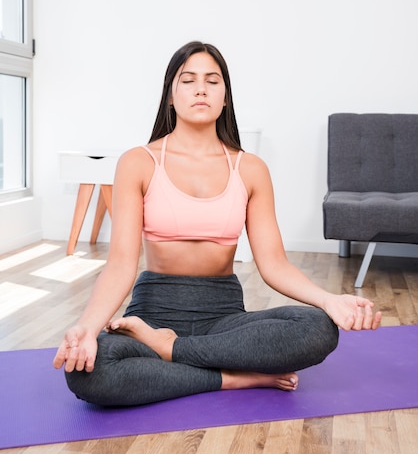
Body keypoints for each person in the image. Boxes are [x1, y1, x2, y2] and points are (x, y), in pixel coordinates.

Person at [53, 41, 382, 406]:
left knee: (318, 329)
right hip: (152, 312)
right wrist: (88, 327)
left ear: (225, 97)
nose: (200, 89)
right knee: (86, 371)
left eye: (212, 81)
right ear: (170, 96)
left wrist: (329, 300)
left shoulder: (250, 168)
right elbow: (120, 265)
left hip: (222, 316)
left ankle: (172, 350)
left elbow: (273, 264)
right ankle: (232, 378)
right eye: (188, 79)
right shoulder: (138, 162)